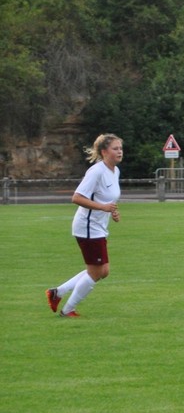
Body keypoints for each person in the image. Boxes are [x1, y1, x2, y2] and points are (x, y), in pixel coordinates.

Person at [45, 133, 123, 318]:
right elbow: (77, 197)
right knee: (97, 272)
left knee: (103, 271)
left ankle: (58, 292)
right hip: (87, 227)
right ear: (104, 152)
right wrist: (103, 207)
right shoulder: (96, 171)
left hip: (98, 227)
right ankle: (67, 309)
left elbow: (106, 198)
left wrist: (112, 211)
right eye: (115, 148)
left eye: (120, 148)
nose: (119, 152)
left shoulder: (115, 171)